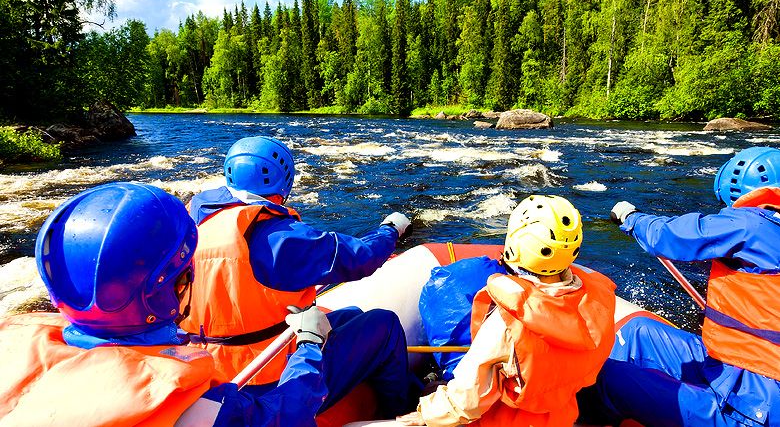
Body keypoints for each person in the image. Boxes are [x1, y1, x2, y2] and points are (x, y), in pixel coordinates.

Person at [0, 182, 333, 426]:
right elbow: (287, 416)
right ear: (160, 294)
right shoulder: (194, 409)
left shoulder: (13, 349)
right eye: (184, 276)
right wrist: (309, 344)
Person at [180, 136, 414, 418]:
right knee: (384, 323)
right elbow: (361, 257)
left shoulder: (189, 223)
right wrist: (391, 229)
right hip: (268, 379)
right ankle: (404, 412)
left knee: (351, 313)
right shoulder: (280, 239)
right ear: (284, 184)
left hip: (206, 374)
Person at [590, 146, 780, 426]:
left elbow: (668, 235)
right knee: (638, 332)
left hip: (753, 401)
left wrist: (631, 218)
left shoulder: (750, 225)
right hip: (729, 365)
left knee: (608, 378)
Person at [399, 195, 617, 426]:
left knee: (432, 390)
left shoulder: (507, 321)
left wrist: (426, 413)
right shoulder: (600, 300)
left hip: (501, 420)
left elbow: (467, 400)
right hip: (559, 416)